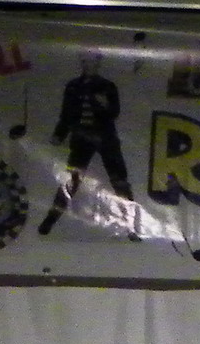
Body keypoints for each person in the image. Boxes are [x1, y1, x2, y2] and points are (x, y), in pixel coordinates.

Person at [37, 52, 137, 238]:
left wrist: (104, 104)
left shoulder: (107, 86)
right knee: (71, 181)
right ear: (81, 63)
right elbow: (66, 114)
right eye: (85, 61)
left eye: (92, 61)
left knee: (119, 181)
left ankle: (132, 227)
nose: (88, 65)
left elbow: (114, 112)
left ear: (98, 63)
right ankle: (51, 219)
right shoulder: (73, 86)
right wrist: (59, 134)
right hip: (81, 138)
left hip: (106, 138)